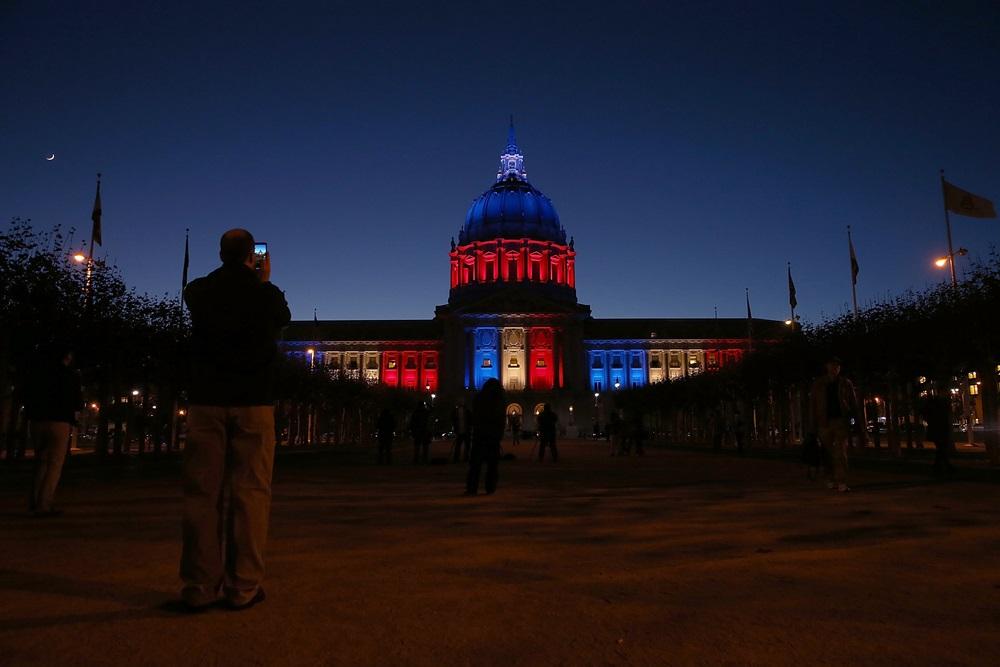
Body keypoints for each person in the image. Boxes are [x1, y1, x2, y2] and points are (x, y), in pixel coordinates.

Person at [180, 228, 291, 612]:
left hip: (206, 401)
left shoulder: (200, 292)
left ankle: (198, 587)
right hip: (253, 404)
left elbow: (195, 293)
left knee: (200, 494)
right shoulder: (266, 295)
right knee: (251, 495)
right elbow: (282, 317)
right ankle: (242, 587)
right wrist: (261, 280)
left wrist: (234, 272)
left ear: (221, 254)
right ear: (253, 257)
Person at [25, 343, 82, 516]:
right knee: (54, 465)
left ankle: (34, 502)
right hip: (59, 421)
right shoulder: (70, 376)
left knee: (40, 462)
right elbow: (77, 401)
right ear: (67, 356)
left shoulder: (38, 374)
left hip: (37, 420)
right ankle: (44, 504)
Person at [809, 356, 862, 493]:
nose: (835, 368)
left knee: (841, 452)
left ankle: (841, 481)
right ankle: (831, 478)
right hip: (824, 423)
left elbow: (853, 404)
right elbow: (813, 406)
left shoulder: (845, 383)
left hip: (840, 422)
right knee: (827, 453)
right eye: (832, 365)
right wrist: (813, 426)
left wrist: (857, 422)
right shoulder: (818, 384)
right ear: (827, 366)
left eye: (837, 366)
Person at [466, 379, 506, 495]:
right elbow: (501, 420)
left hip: (480, 435)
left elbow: (475, 416)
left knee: (475, 465)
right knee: (492, 465)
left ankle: (472, 488)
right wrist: (499, 434)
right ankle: (490, 488)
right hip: (493, 436)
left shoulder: (479, 398)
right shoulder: (499, 400)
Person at [920, 391, 954, 476]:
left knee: (940, 448)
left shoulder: (931, 408)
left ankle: (941, 466)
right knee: (941, 448)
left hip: (937, 430)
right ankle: (942, 466)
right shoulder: (938, 408)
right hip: (940, 430)